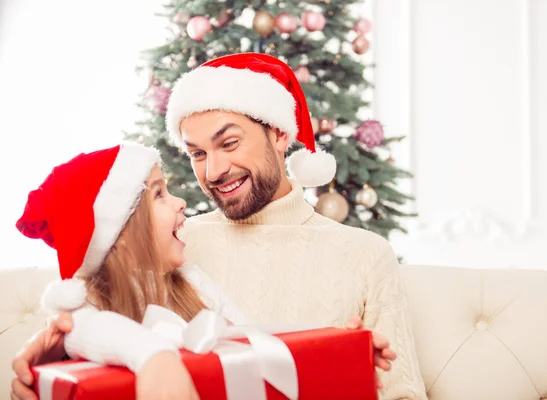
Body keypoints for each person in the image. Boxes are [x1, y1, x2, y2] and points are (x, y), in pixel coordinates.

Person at [12, 53, 426, 400]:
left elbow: (399, 391)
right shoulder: (171, 246)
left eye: (228, 143)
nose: (214, 171)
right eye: (196, 153)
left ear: (280, 134)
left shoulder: (365, 256)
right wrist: (48, 364)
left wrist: (343, 357)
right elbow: (104, 339)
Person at [12, 143, 247, 400]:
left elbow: (253, 341)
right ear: (119, 231)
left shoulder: (194, 281)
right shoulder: (86, 306)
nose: (180, 202)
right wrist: (154, 356)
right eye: (159, 194)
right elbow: (82, 330)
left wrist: (232, 334)